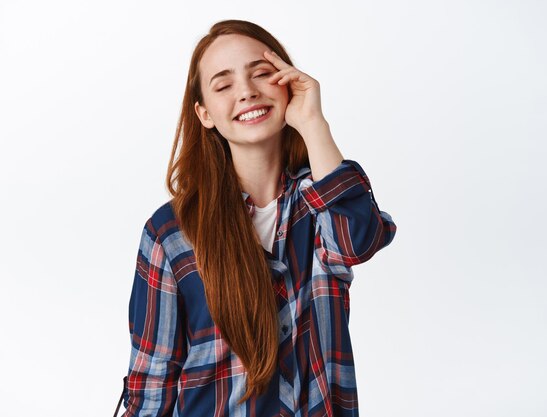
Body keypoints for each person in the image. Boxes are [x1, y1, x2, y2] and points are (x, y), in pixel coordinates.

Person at [121, 19, 397, 417]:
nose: (247, 92)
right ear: (205, 114)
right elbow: (152, 381)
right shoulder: (171, 233)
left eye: (262, 74)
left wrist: (313, 123)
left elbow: (358, 242)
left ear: (288, 82)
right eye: (223, 85)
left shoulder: (320, 202)